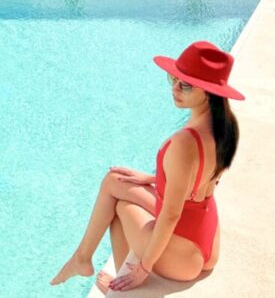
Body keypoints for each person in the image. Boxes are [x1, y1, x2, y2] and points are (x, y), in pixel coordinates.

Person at [50, 41, 244, 293]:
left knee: (119, 207)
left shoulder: (186, 141)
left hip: (185, 256)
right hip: (206, 236)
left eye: (185, 85)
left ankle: (119, 281)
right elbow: (198, 176)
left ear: (208, 93)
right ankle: (82, 258)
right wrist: (153, 178)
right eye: (173, 78)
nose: (175, 88)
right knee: (115, 180)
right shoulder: (225, 126)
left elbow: (171, 214)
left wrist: (145, 266)